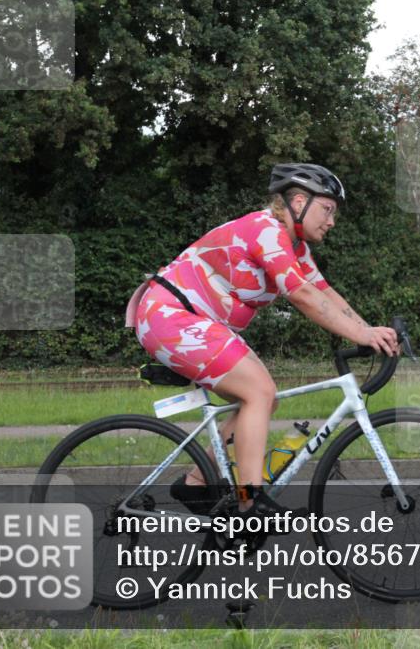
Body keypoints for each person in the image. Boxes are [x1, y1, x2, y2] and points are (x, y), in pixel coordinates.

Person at [125, 163, 399, 521]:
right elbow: (300, 294)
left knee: (261, 400)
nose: (332, 221)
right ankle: (249, 502)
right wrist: (362, 334)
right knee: (258, 392)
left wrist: (370, 331)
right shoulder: (265, 230)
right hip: (169, 315)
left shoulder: (295, 247)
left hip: (196, 323)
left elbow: (322, 291)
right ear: (298, 201)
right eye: (327, 209)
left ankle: (194, 485)